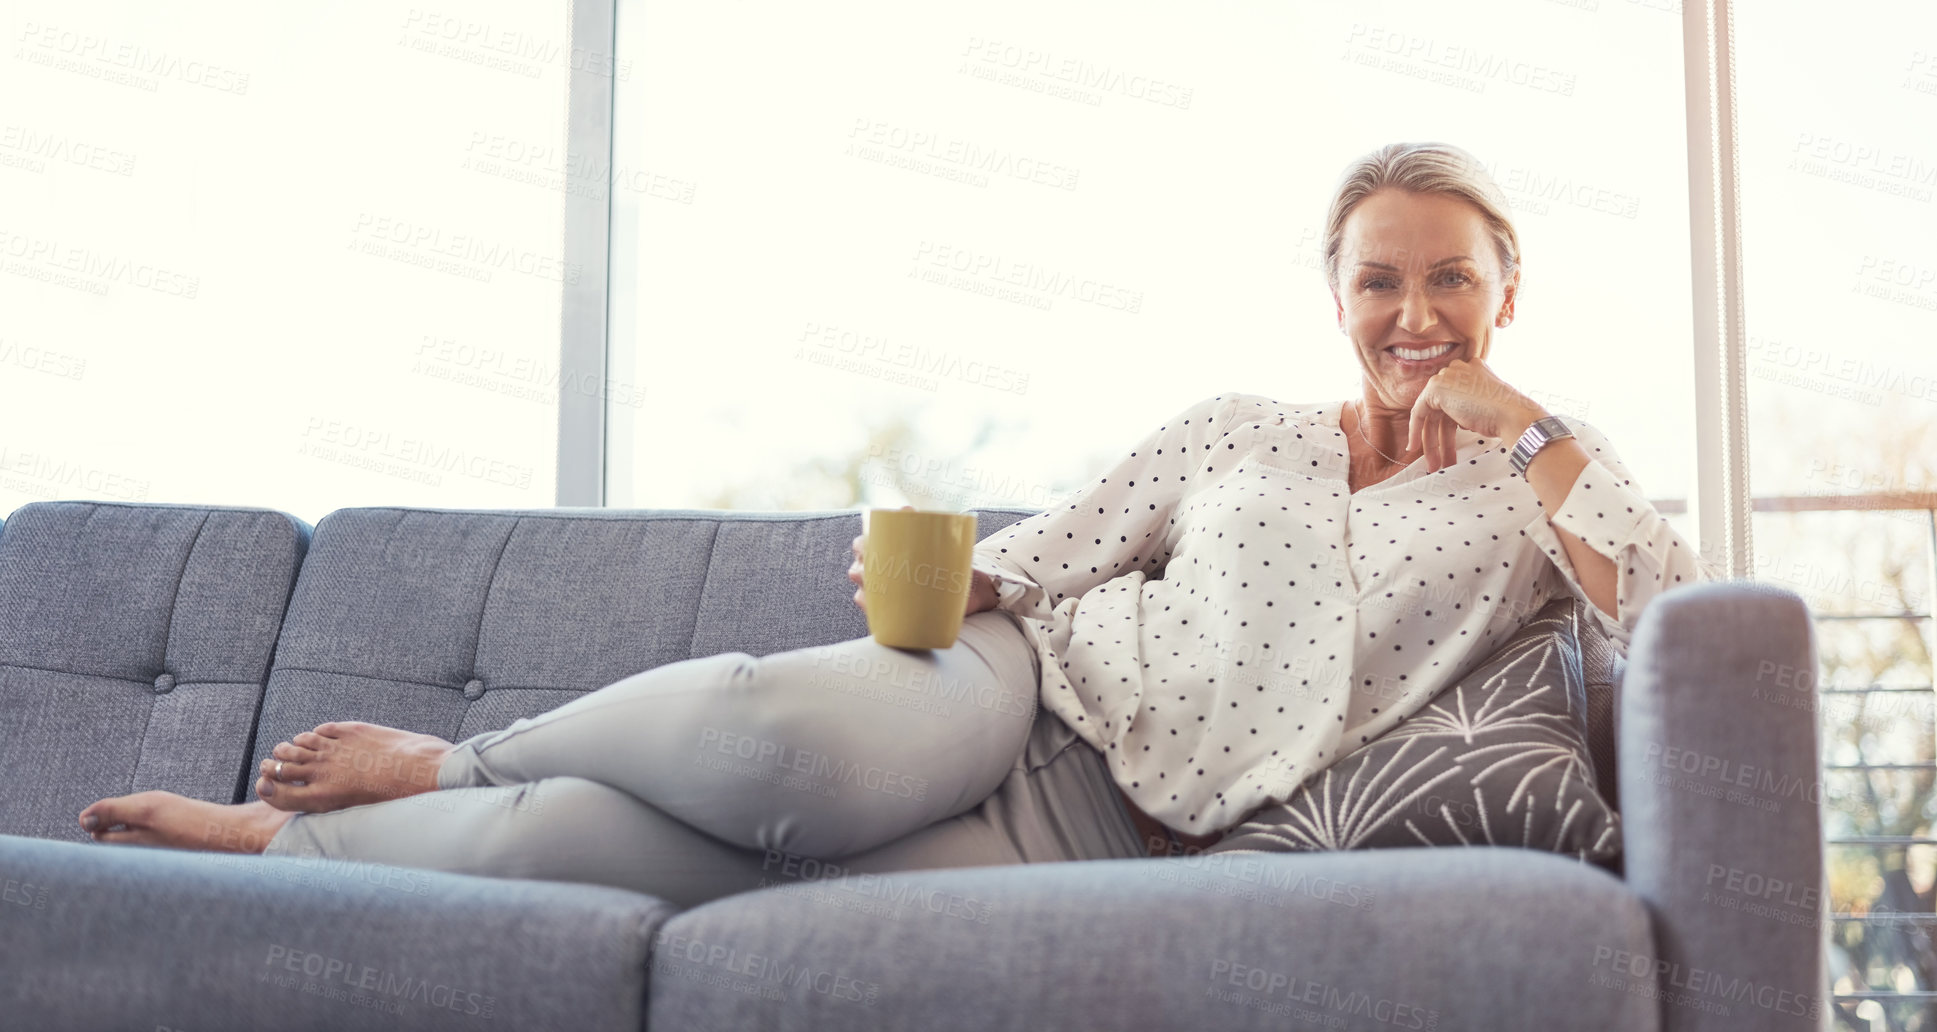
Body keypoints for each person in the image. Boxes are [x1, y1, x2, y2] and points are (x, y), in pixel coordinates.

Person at [78, 141, 1709, 907]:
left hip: (1117, 836)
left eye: (1448, 277)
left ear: (1505, 293)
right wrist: (951, 579)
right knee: (785, 746)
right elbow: (1055, 550)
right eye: (1380, 276)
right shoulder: (1241, 431)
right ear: (1334, 295)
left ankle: (277, 849)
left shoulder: (1536, 496)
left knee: (644, 868)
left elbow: (1670, 612)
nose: (1412, 309)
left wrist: (1537, 433)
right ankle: (446, 761)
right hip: (1023, 687)